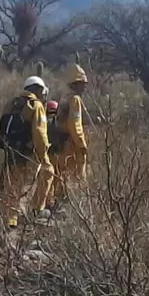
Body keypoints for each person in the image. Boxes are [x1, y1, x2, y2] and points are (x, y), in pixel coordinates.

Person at [0, 76, 55, 228]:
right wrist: (43, 156)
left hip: (11, 149)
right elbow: (40, 133)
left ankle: (10, 220)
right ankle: (37, 210)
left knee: (13, 185)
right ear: (37, 89)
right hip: (28, 152)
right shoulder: (36, 106)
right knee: (48, 172)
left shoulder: (12, 103)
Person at [49, 64, 89, 210]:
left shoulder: (64, 97)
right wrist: (82, 144)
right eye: (83, 84)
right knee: (76, 175)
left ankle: (54, 203)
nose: (85, 87)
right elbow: (75, 124)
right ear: (77, 84)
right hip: (70, 144)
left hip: (59, 141)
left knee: (59, 173)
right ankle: (72, 205)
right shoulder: (75, 100)